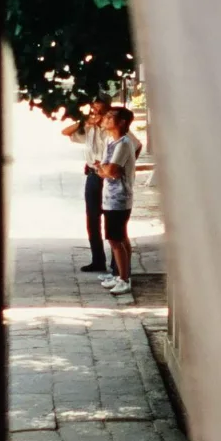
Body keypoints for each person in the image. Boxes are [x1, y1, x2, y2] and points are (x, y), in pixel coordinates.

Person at [62, 98, 111, 272]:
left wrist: (122, 167)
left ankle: (116, 264)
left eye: (100, 110)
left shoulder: (113, 129)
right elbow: (65, 131)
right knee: (92, 218)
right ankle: (98, 259)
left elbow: (136, 145)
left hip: (109, 176)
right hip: (92, 175)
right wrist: (84, 121)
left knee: (111, 217)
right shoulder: (89, 129)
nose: (96, 113)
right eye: (94, 109)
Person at [96, 107, 139, 296]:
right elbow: (102, 169)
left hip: (119, 197)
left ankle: (124, 278)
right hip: (109, 196)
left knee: (115, 239)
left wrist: (105, 169)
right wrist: (104, 169)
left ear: (121, 122)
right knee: (121, 237)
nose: (105, 120)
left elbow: (112, 171)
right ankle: (121, 273)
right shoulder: (110, 142)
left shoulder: (123, 143)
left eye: (110, 117)